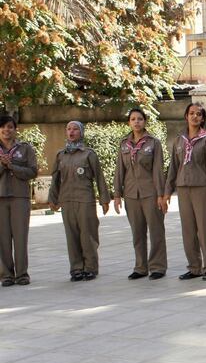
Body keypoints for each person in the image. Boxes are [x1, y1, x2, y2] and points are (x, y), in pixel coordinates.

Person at [164, 103, 206, 281]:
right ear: (186, 116)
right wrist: (167, 191)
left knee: (205, 229)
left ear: (203, 118)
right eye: (191, 113)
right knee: (188, 230)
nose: (195, 117)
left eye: (199, 114)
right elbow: (173, 167)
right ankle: (194, 267)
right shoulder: (179, 139)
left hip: (202, 188)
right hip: (183, 188)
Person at [48, 121, 111, 281]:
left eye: (75, 129)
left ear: (81, 132)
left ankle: (90, 267)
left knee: (88, 235)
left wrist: (104, 199)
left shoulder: (88, 154)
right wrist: (53, 198)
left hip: (85, 200)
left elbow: (99, 177)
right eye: (68, 129)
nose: (71, 132)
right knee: (72, 236)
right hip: (67, 200)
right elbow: (55, 178)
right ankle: (76, 268)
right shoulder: (60, 155)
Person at [112, 108, 167, 280]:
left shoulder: (153, 143)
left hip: (150, 192)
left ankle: (157, 266)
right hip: (130, 194)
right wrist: (117, 194)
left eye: (140, 119)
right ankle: (140, 266)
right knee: (137, 232)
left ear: (145, 121)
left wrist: (161, 195)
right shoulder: (124, 144)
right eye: (133, 119)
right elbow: (119, 171)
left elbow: (158, 170)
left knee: (156, 230)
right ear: (129, 122)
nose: (136, 122)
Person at [0, 115, 38, 286]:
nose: (6, 130)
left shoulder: (25, 148)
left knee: (21, 237)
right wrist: (2, 165)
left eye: (9, 127)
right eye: (2, 127)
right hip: (1, 198)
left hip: (19, 197)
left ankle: (22, 274)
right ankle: (7, 274)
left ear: (15, 129)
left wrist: (11, 166)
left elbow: (32, 171)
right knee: (3, 238)